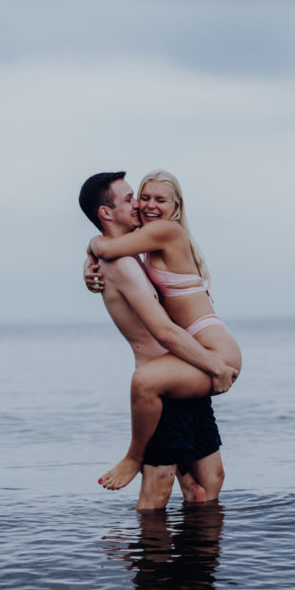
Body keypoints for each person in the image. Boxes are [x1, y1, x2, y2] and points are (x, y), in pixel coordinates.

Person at [78, 172, 235, 508]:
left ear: (176, 206)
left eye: (154, 199)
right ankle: (167, 558)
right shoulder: (128, 258)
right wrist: (92, 253)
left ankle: (194, 559)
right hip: (175, 373)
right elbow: (108, 248)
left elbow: (104, 245)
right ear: (106, 213)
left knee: (204, 481)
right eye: (133, 198)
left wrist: (91, 249)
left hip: (191, 363)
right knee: (180, 484)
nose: (141, 205)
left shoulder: (150, 242)